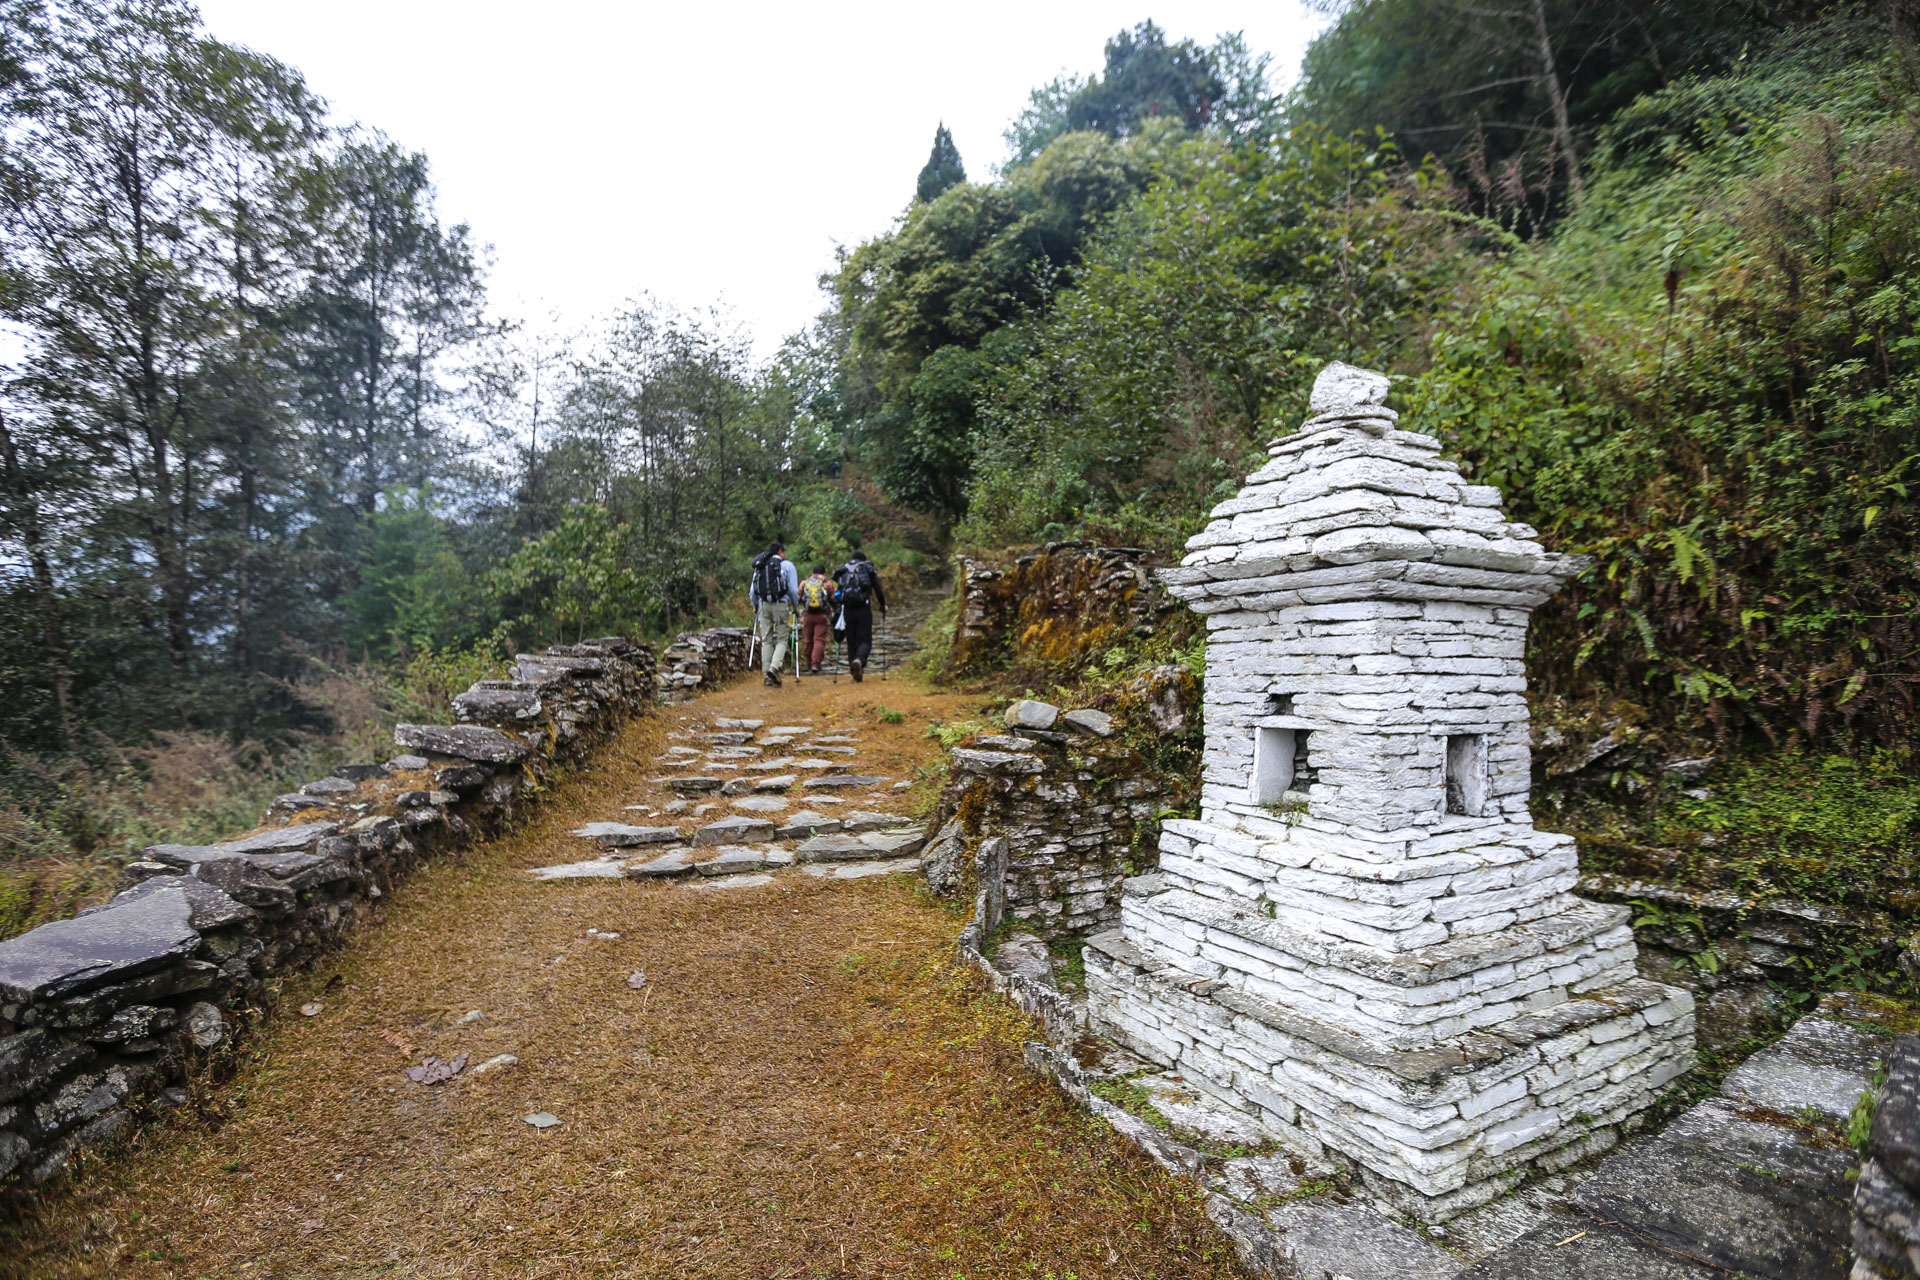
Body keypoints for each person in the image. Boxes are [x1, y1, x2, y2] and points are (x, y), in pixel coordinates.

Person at [747, 541, 799, 687]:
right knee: (782, 638)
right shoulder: (788, 566)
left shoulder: (760, 565)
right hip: (781, 604)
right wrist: (795, 608)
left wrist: (755, 606)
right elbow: (793, 591)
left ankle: (766, 676)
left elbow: (752, 591)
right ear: (781, 551)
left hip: (763, 605)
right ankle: (773, 668)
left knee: (766, 640)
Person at [833, 547, 887, 682]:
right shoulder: (867, 569)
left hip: (848, 610)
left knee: (851, 640)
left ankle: (854, 673)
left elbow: (838, 593)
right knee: (865, 639)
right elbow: (878, 589)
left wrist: (840, 606)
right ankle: (860, 660)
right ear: (863, 559)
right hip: (863, 609)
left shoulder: (843, 570)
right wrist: (883, 604)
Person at [798, 564, 838, 675]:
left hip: (807, 615)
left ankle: (808, 663)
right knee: (819, 639)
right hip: (822, 615)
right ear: (824, 574)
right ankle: (815, 664)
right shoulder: (827, 584)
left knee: (808, 639)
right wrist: (836, 610)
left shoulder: (805, 583)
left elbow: (798, 597)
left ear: (812, 573)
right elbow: (833, 599)